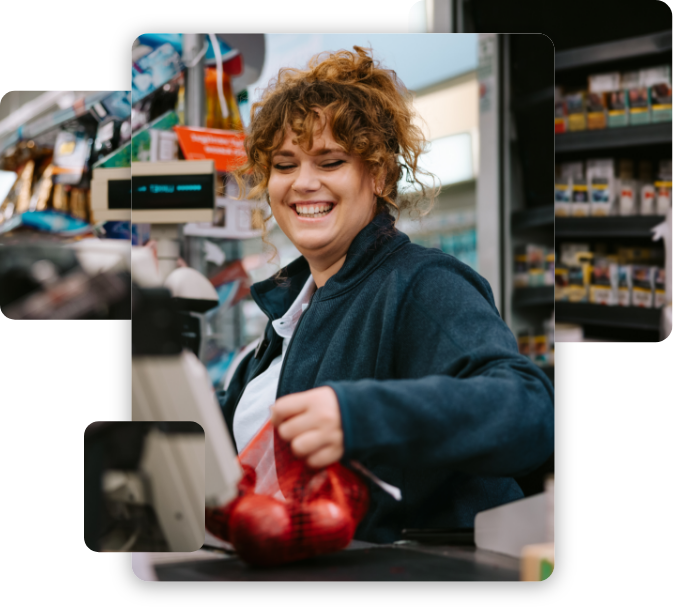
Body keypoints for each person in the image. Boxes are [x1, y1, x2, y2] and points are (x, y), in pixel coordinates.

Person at [217, 46, 554, 545]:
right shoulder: (285, 318)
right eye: (284, 165)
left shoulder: (420, 283)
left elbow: (529, 411)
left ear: (377, 174)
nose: (303, 183)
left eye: (330, 161)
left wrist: (360, 415)